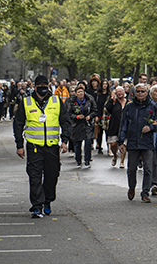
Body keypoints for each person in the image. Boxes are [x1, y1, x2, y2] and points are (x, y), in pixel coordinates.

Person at [12, 75, 71, 218]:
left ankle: (47, 200)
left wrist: (65, 141)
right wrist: (19, 145)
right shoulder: (26, 102)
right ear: (35, 86)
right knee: (35, 176)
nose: (43, 87)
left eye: (46, 84)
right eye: (40, 85)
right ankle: (37, 206)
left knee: (52, 175)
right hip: (34, 147)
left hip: (51, 146)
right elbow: (18, 124)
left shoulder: (56, 101)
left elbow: (65, 121)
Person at [118, 83, 157, 203]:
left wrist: (150, 128)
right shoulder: (129, 107)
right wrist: (121, 141)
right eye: (138, 91)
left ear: (147, 93)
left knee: (148, 168)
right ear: (135, 92)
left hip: (147, 142)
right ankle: (131, 187)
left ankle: (145, 192)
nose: (140, 93)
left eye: (143, 91)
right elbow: (123, 124)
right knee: (131, 168)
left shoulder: (153, 106)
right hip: (133, 142)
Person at [67, 85, 96, 169]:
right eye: (79, 92)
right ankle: (78, 160)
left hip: (87, 124)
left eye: (82, 91)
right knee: (77, 144)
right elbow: (69, 113)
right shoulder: (72, 102)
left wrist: (90, 116)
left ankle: (87, 160)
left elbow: (95, 110)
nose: (81, 93)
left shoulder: (89, 100)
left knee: (88, 142)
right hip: (76, 125)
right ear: (76, 94)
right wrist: (76, 117)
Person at [105, 86, 128, 168]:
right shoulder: (114, 102)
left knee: (123, 144)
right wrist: (112, 98)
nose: (119, 93)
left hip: (125, 126)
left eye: (120, 91)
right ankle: (115, 155)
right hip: (114, 125)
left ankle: (122, 161)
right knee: (113, 144)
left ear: (124, 92)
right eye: (117, 92)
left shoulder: (128, 101)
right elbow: (107, 107)